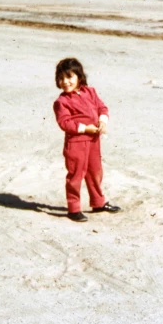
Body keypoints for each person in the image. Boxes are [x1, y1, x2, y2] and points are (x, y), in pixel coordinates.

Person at [53, 58, 121, 222]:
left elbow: (102, 107)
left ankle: (98, 202)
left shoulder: (90, 92)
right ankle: (74, 208)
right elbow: (65, 123)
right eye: (61, 78)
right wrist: (85, 128)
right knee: (76, 174)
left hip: (93, 141)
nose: (65, 82)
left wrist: (102, 121)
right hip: (76, 143)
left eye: (69, 77)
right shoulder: (61, 102)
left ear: (79, 77)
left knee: (95, 172)